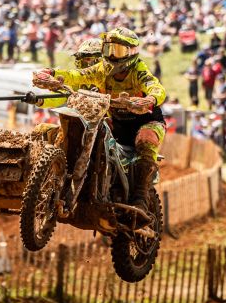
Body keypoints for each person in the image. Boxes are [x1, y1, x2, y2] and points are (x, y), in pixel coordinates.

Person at [31, 27, 166, 215]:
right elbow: (76, 75)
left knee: (146, 138)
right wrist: (51, 72)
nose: (112, 55)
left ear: (131, 53)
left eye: (118, 51)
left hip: (146, 121)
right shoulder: (102, 69)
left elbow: (156, 87)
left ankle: (141, 197)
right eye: (109, 49)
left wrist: (150, 99)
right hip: (116, 123)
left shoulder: (138, 70)